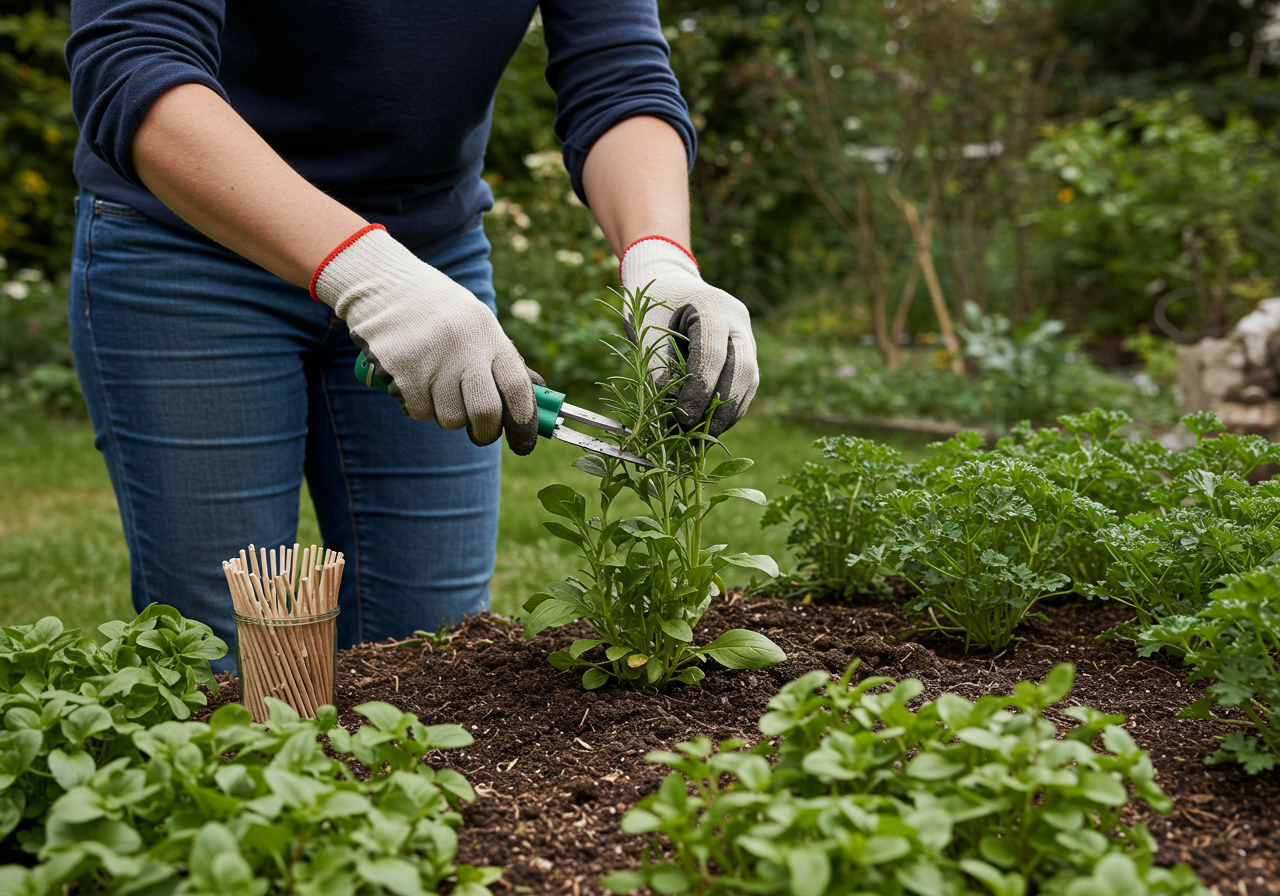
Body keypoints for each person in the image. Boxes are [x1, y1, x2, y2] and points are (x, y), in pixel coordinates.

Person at [65, 0, 759, 670]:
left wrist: (660, 258)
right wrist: (369, 275)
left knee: (434, 653)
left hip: (430, 252)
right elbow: (133, 61)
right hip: (194, 245)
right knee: (222, 645)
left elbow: (618, 74)